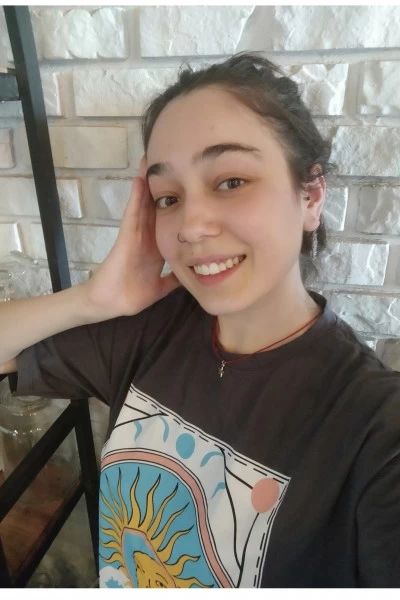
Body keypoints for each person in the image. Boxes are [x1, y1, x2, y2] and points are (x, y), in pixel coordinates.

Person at [0, 52, 399, 588]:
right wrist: (93, 299)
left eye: (231, 181)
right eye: (168, 198)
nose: (190, 225)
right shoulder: (148, 331)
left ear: (310, 196)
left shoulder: (373, 426)